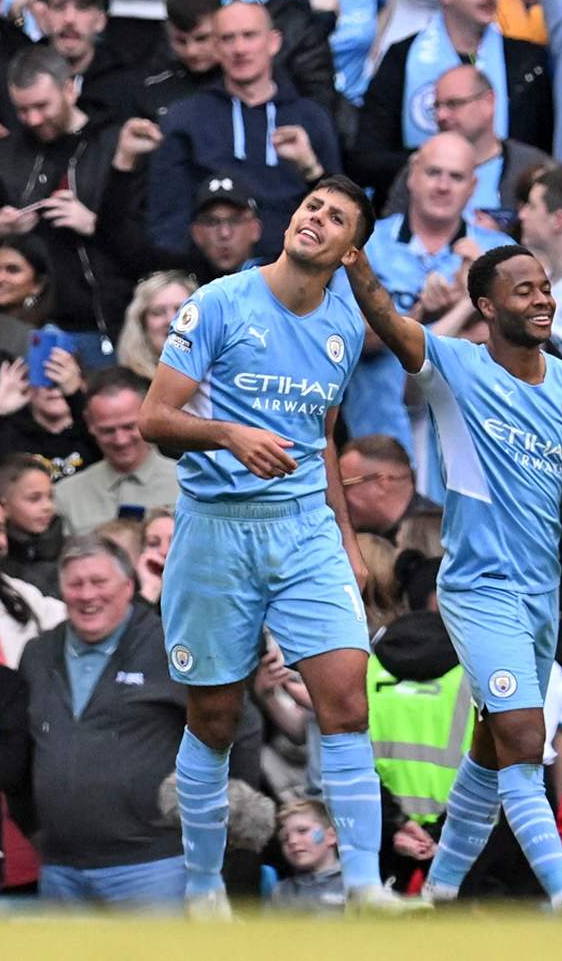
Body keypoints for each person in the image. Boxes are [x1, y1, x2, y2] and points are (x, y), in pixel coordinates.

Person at [137, 169, 409, 909]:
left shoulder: (346, 324)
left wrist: (348, 541)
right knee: (215, 720)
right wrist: (227, 433)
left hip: (303, 530)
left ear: (352, 249)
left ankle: (361, 883)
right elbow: (154, 419)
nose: (315, 219)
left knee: (346, 702)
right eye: (311, 206)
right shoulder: (219, 302)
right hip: (216, 532)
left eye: (335, 217)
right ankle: (201, 888)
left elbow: (322, 434)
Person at [408, 244, 562, 907]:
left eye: (546, 287)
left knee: (493, 744)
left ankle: (436, 895)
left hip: (538, 593)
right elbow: (388, 323)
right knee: (525, 736)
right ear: (487, 307)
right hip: (475, 586)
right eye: (525, 290)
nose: (544, 298)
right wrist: (352, 260)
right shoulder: (455, 366)